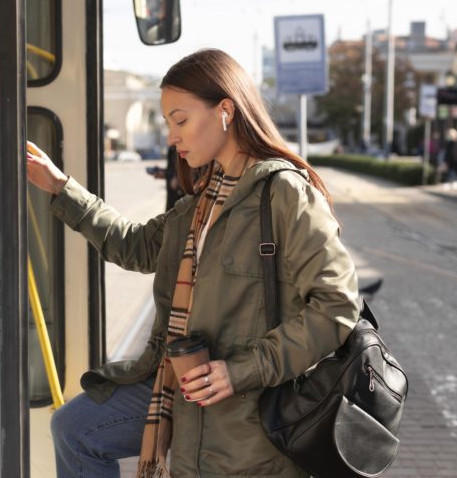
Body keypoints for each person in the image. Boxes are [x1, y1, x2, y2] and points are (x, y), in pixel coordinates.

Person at [26, 48, 361, 478]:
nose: (171, 136)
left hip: (249, 405)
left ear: (225, 111)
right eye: (167, 122)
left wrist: (240, 371)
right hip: (182, 389)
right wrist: (61, 188)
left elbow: (336, 306)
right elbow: (135, 245)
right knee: (75, 428)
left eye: (180, 120)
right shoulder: (202, 202)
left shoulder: (285, 194)